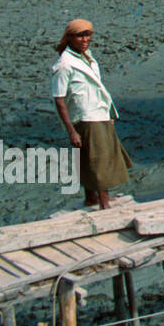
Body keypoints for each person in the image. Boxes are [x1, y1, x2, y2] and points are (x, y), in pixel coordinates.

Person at [51, 19, 132, 209]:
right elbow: (59, 99)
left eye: (88, 35)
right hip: (85, 117)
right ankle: (104, 203)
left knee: (90, 159)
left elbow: (96, 87)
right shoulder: (64, 65)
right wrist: (71, 130)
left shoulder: (87, 57)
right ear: (70, 38)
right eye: (80, 35)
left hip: (98, 112)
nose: (85, 39)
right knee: (99, 160)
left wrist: (108, 112)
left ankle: (92, 198)